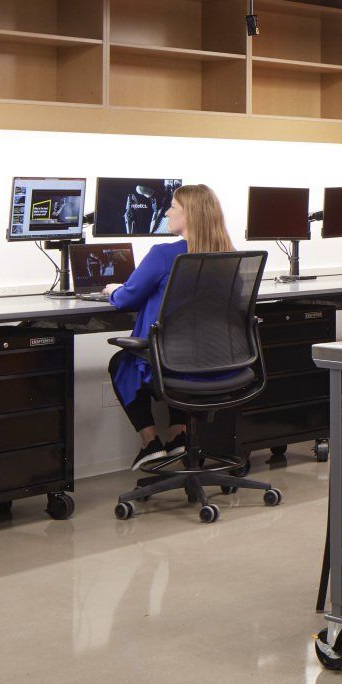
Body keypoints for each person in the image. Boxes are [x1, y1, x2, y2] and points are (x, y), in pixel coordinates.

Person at [101, 183, 234, 470]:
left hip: (173, 363)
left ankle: (150, 442)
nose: (167, 212)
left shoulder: (163, 254)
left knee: (122, 362)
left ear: (191, 215)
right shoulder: (230, 257)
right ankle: (178, 436)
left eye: (173, 207)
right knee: (181, 354)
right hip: (219, 365)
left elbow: (126, 299)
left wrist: (113, 289)